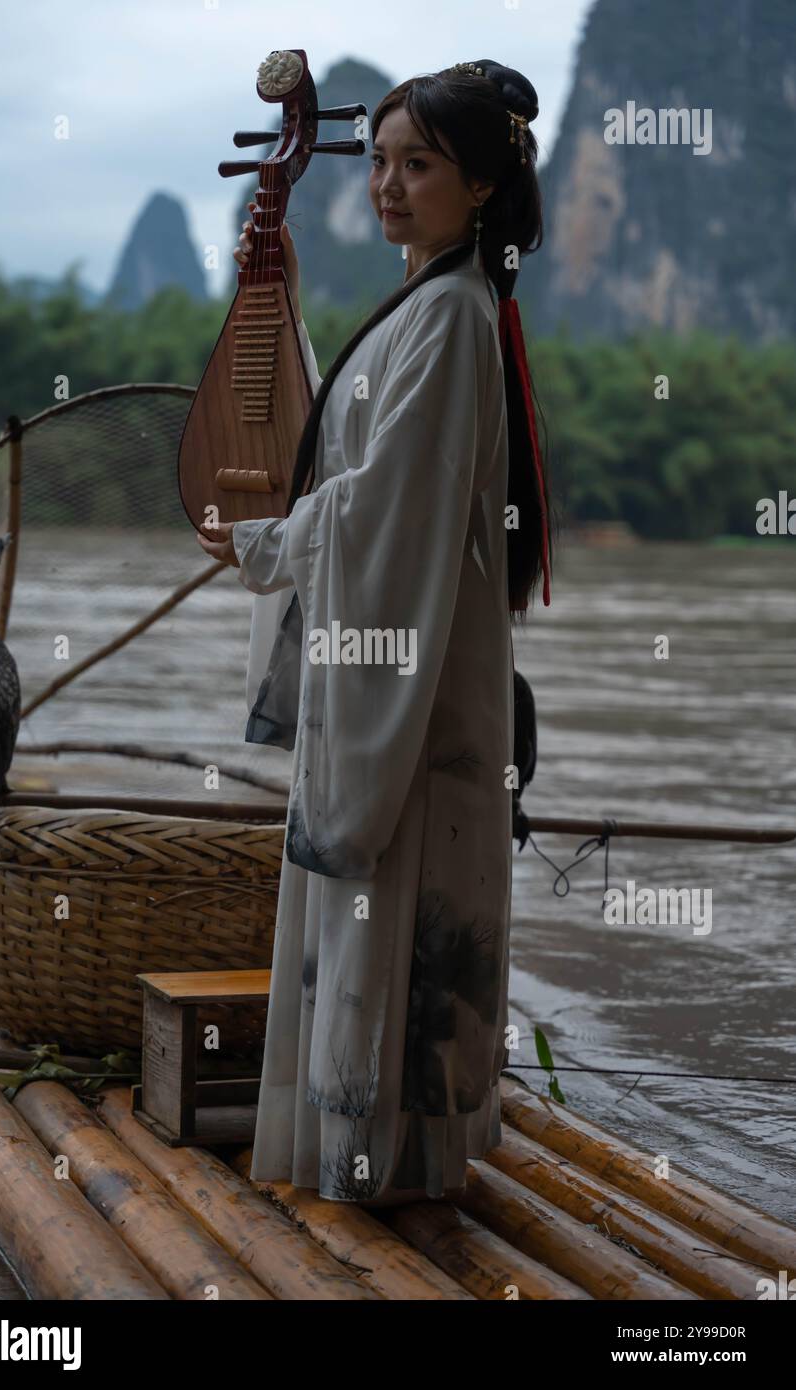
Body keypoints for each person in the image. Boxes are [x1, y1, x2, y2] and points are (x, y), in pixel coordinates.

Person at [196, 58, 553, 1206]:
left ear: (483, 187)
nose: (388, 185)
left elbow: (378, 505)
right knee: (370, 927)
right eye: (383, 161)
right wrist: (286, 304)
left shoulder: (449, 317)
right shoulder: (429, 302)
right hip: (387, 664)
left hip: (409, 684)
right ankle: (374, 1170)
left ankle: (386, 1185)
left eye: (421, 166)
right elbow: (343, 458)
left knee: (392, 921)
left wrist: (263, 545)